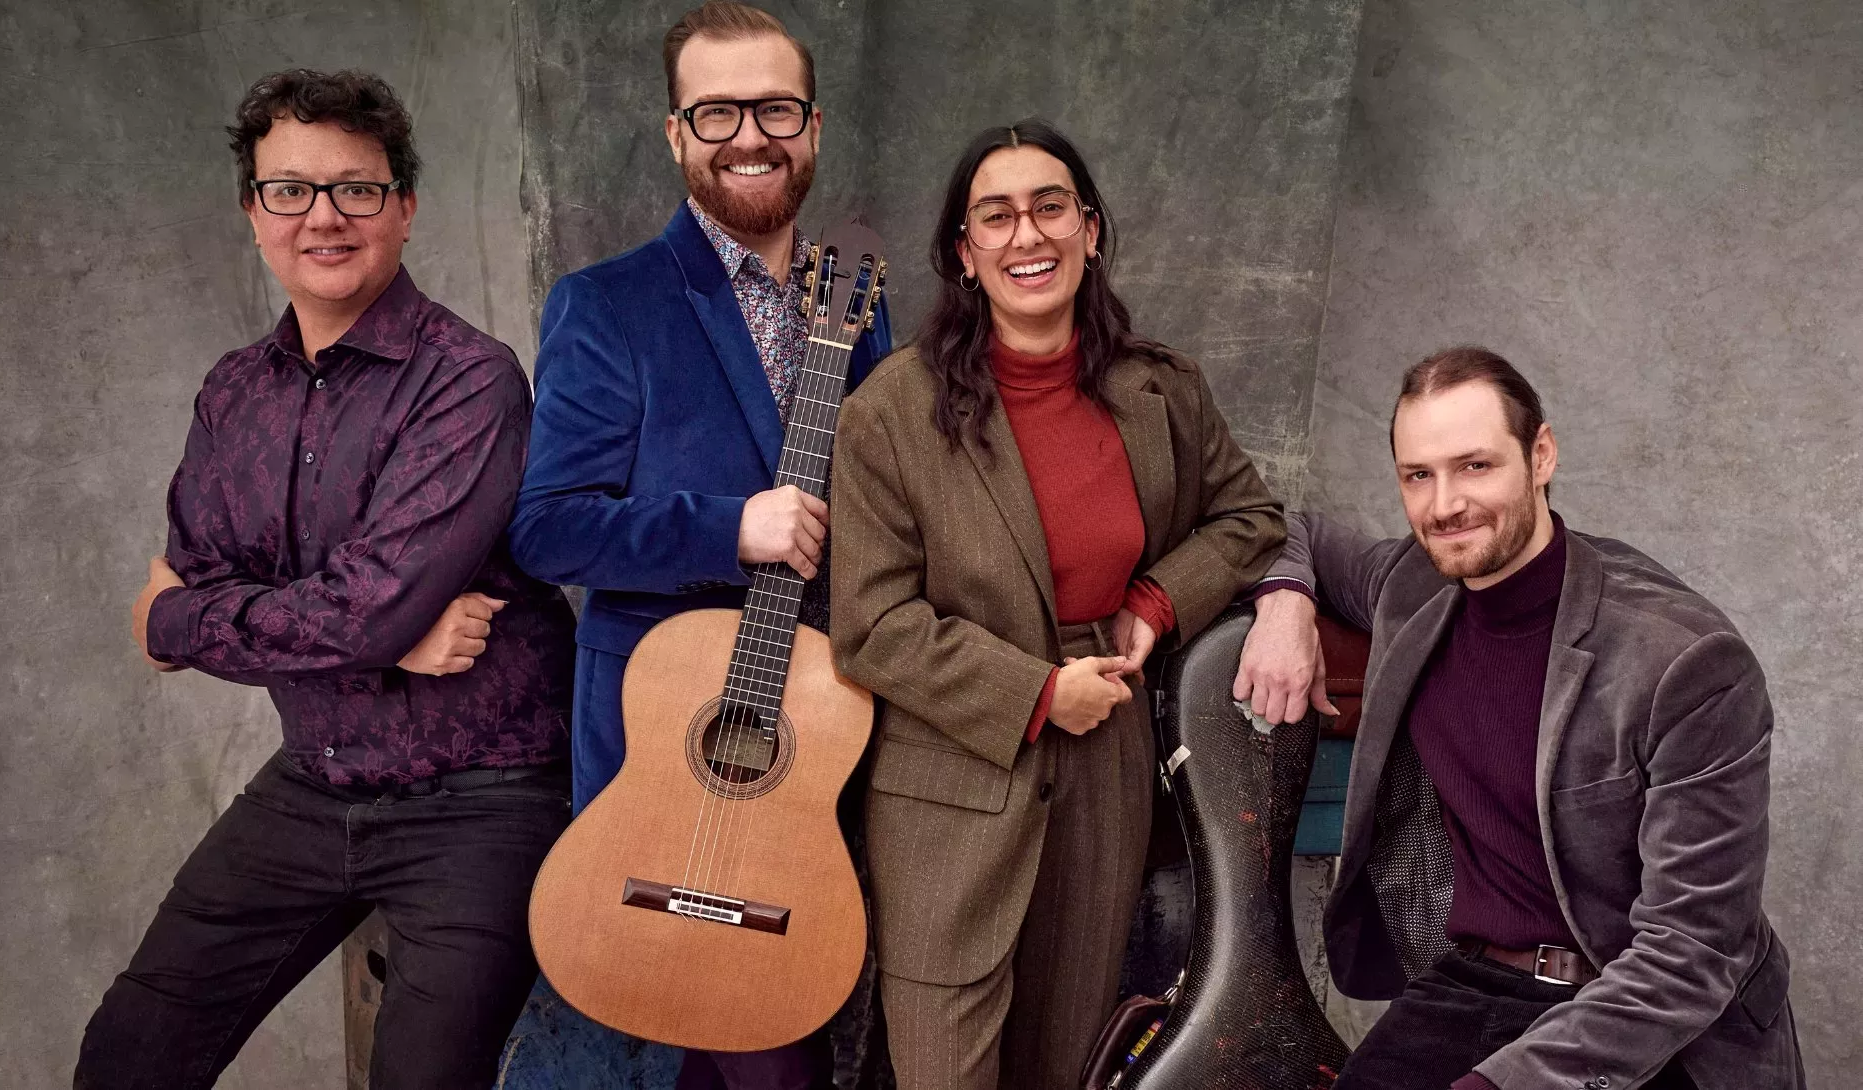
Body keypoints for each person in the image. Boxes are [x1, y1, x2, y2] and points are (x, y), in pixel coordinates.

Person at [75, 69, 579, 1090]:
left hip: (477, 802)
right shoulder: (232, 392)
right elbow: (318, 606)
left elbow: (352, 603)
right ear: (253, 212)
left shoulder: (470, 381)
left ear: (404, 206)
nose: (323, 217)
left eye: (355, 187)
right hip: (312, 785)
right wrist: (377, 635)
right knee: (128, 1054)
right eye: (289, 190)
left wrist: (185, 622)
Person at [828, 119, 1285, 1090]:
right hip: (948, 780)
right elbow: (870, 625)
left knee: (1065, 1059)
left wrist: (1158, 602)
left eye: (1048, 208)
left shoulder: (1161, 389)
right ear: (963, 252)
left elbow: (1247, 516)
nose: (1024, 236)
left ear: (1089, 230)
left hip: (1103, 771)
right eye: (993, 216)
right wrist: (1036, 692)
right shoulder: (892, 411)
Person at [1234, 346, 1805, 1090]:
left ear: (1541, 455)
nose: (1444, 505)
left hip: (1645, 1010)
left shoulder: (1686, 663)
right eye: (1419, 475)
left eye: (1475, 467)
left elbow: (1692, 953)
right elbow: (1285, 527)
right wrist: (1285, 601)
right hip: (1478, 984)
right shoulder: (1411, 584)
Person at [509, 3, 889, 1085]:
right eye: (715, 110)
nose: (749, 135)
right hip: (664, 751)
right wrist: (731, 527)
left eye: (773, 107)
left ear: (810, 126)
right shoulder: (607, 304)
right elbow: (548, 528)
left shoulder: (858, 304)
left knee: (788, 1033)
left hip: (816, 742)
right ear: (675, 132)